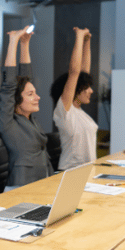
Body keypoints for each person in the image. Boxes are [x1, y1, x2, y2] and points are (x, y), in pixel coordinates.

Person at [0, 27, 52, 191]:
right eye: (31, 94)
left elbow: (26, 79)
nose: (38, 97)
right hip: (20, 191)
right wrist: (13, 41)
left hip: (41, 185)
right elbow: (9, 86)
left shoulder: (30, 120)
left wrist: (25, 45)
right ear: (17, 100)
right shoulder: (7, 123)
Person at [50, 27, 98, 170]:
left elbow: (83, 73)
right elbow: (75, 72)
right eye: (86, 87)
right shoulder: (65, 112)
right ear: (75, 90)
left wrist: (87, 41)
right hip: (70, 172)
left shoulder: (79, 111)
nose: (91, 90)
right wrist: (78, 36)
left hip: (87, 170)